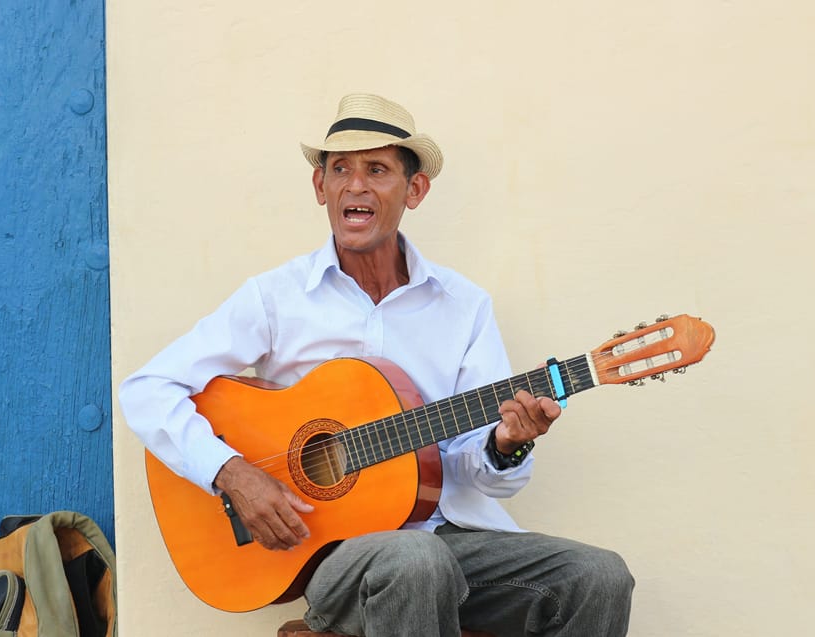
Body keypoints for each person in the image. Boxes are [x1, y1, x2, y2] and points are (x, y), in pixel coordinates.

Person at [119, 93, 634, 637]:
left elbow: (478, 472)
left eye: (377, 169)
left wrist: (507, 444)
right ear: (320, 187)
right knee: (413, 559)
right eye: (339, 168)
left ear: (415, 189)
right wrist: (232, 473)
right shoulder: (276, 297)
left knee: (599, 575)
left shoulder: (464, 306)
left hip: (452, 540)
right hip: (337, 560)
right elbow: (147, 390)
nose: (355, 185)